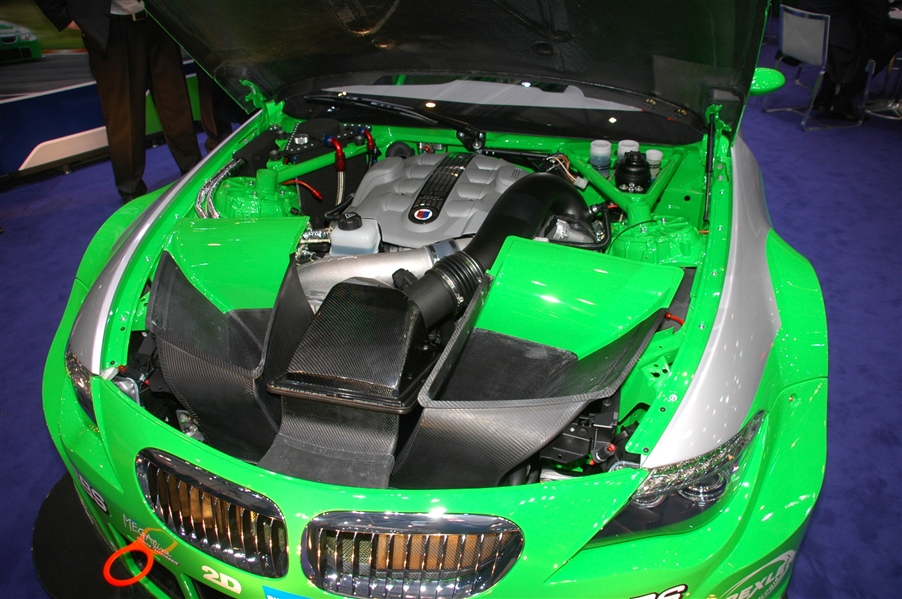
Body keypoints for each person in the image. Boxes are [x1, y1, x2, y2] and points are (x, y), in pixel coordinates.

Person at [36, 0, 201, 202]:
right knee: (124, 117)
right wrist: (69, 18)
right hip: (112, 28)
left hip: (157, 19)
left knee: (175, 103)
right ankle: (131, 193)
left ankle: (195, 174)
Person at [798, 0, 895, 119]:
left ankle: (825, 95)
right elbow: (879, 19)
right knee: (888, 41)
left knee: (857, 32)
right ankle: (841, 101)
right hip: (831, 42)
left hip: (802, 34)